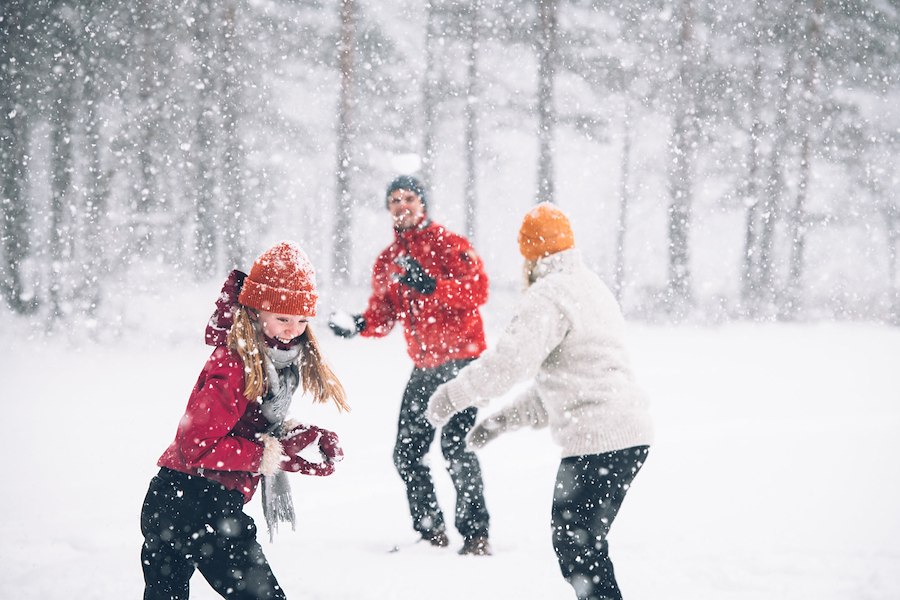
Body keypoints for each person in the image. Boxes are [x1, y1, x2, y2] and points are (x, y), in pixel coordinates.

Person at [426, 202, 654, 600]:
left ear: (529, 253)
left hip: (598, 439)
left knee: (577, 545)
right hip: (629, 434)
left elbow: (507, 365)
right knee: (581, 544)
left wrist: (453, 396)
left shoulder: (548, 295)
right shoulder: (590, 286)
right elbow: (565, 384)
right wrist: (501, 422)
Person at [141, 241, 350, 600]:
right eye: (283, 317)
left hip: (179, 499)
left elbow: (246, 423)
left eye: (302, 320)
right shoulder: (235, 362)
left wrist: (301, 437)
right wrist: (271, 456)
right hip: (197, 502)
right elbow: (197, 445)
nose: (292, 329)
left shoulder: (270, 359)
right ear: (255, 311)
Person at [327, 175, 492, 555]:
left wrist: (432, 284)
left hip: (462, 362)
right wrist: (359, 324)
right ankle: (431, 533)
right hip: (425, 367)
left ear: (423, 204)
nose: (403, 205)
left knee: (457, 448)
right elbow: (384, 314)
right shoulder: (388, 261)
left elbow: (478, 290)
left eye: (410, 198)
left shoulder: (449, 244)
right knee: (407, 452)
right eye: (395, 200)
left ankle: (476, 536)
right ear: (388, 209)